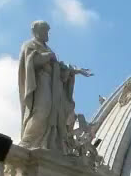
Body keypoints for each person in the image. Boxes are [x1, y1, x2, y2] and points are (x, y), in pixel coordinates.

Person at [18, 21, 91, 151]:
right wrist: (47, 56)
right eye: (45, 31)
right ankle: (28, 141)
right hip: (41, 82)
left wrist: (75, 70)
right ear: (36, 31)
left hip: (53, 85)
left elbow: (60, 67)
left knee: (54, 113)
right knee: (42, 110)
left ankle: (48, 142)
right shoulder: (29, 45)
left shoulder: (48, 49)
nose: (47, 34)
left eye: (47, 31)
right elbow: (31, 62)